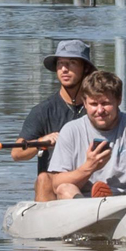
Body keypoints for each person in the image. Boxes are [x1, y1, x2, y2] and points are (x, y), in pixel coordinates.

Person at [46, 71, 126, 200]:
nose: (100, 111)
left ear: (118, 100)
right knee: (64, 188)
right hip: (86, 202)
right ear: (84, 102)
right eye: (94, 104)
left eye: (106, 103)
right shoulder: (71, 130)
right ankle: (95, 208)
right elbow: (56, 184)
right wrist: (89, 167)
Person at [17, 38, 94, 201]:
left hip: (91, 179)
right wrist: (40, 141)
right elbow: (17, 153)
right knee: (43, 178)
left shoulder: (98, 109)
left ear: (85, 68)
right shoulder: (42, 111)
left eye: (72, 63)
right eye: (60, 64)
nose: (64, 69)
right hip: (54, 185)